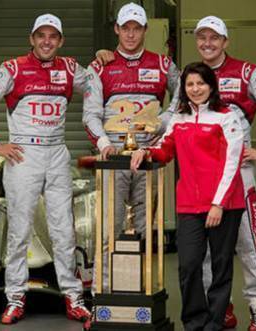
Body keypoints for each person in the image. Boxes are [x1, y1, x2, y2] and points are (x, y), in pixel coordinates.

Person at [97, 15, 256, 331]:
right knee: (199, 254)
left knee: (247, 243)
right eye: (202, 37)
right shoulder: (191, 75)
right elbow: (171, 118)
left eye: (214, 38)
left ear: (225, 41)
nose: (207, 43)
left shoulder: (246, 72)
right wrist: (139, 136)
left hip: (235, 175)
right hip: (197, 180)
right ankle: (218, 310)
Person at [0, 13, 91, 325]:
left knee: (64, 229)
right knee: (19, 231)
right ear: (32, 39)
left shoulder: (69, 68)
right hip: (24, 154)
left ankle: (73, 298)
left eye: (53, 36)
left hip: (57, 154)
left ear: (60, 41)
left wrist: (103, 60)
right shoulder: (12, 68)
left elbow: (98, 86)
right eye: (41, 35)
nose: (47, 41)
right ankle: (15, 298)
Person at [131, 62, 245, 331]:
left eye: (200, 83)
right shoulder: (179, 118)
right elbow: (165, 150)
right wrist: (146, 152)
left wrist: (218, 204)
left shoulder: (227, 117)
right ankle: (194, 322)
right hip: (189, 205)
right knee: (189, 265)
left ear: (211, 86)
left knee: (220, 266)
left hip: (224, 204)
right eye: (189, 84)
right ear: (183, 88)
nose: (195, 89)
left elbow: (233, 161)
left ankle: (214, 324)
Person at [82, 2, 180, 293]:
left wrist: (161, 124)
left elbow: (183, 96)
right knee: (108, 229)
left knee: (143, 228)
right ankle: (104, 294)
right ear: (116, 29)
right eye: (126, 28)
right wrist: (102, 143)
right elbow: (90, 114)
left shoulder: (164, 64)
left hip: (147, 156)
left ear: (145, 30)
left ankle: (137, 290)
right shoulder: (100, 66)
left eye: (137, 28)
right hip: (113, 157)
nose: (131, 34)